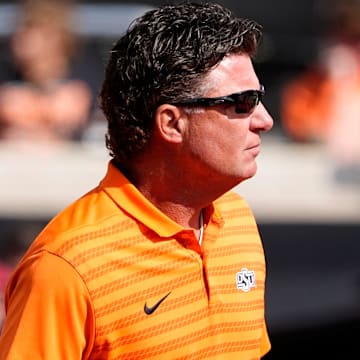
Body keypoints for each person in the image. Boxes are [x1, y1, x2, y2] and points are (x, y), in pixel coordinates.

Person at [0, 2, 273, 359]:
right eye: (242, 103)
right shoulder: (65, 266)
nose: (264, 120)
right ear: (172, 123)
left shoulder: (237, 221)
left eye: (259, 98)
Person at [0, 0, 92, 142]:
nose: (20, 42)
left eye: (31, 32)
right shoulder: (7, 78)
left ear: (56, 39)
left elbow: (71, 108)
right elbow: (10, 106)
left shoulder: (84, 83)